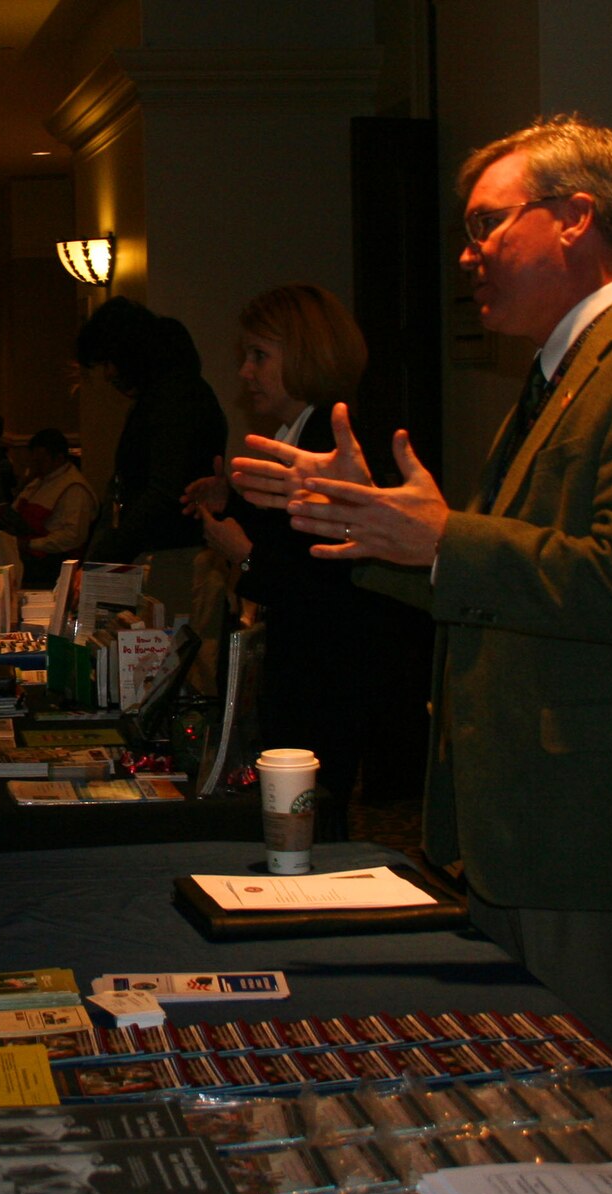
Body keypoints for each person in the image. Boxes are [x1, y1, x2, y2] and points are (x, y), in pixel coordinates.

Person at [233, 115, 612, 1091]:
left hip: (610, 847)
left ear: (574, 218)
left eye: (487, 225)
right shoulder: (565, 374)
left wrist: (442, 538)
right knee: (554, 1130)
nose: (466, 254)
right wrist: (366, 529)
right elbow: (504, 574)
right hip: (541, 834)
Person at [182, 283, 379, 838]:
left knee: (309, 832)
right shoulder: (294, 435)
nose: (245, 371)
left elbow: (324, 582)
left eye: (259, 356)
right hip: (301, 677)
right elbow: (285, 535)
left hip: (321, 683)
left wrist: (239, 555)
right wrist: (231, 497)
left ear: (306, 356)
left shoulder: (332, 445)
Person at [78, 297, 227, 618]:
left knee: (167, 662)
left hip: (176, 558)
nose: (108, 374)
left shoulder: (175, 398)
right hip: (167, 554)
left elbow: (164, 492)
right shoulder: (169, 393)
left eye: (109, 362)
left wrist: (106, 556)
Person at [0, 426, 96, 581]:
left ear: (58, 458)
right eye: (34, 460)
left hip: (51, 563)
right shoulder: (39, 480)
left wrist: (30, 544)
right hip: (27, 553)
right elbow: (16, 512)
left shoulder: (75, 489)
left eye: (40, 461)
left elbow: (73, 537)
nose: (35, 465)